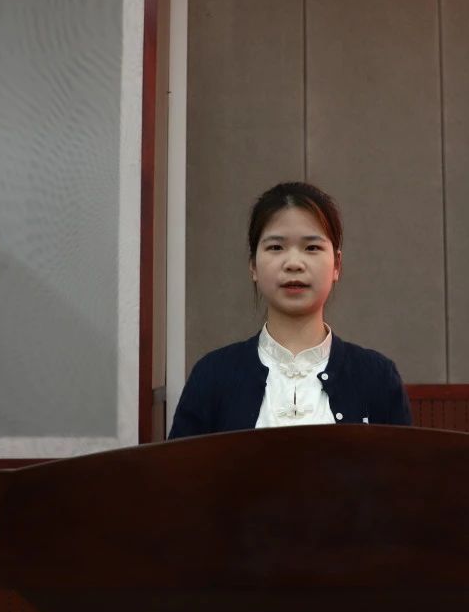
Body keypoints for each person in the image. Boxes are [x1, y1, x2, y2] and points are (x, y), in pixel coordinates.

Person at [168, 182, 413, 438]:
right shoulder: (212, 375)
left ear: (337, 265)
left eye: (312, 248)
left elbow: (404, 463)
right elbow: (180, 464)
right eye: (276, 247)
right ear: (253, 265)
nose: (294, 263)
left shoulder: (376, 376)